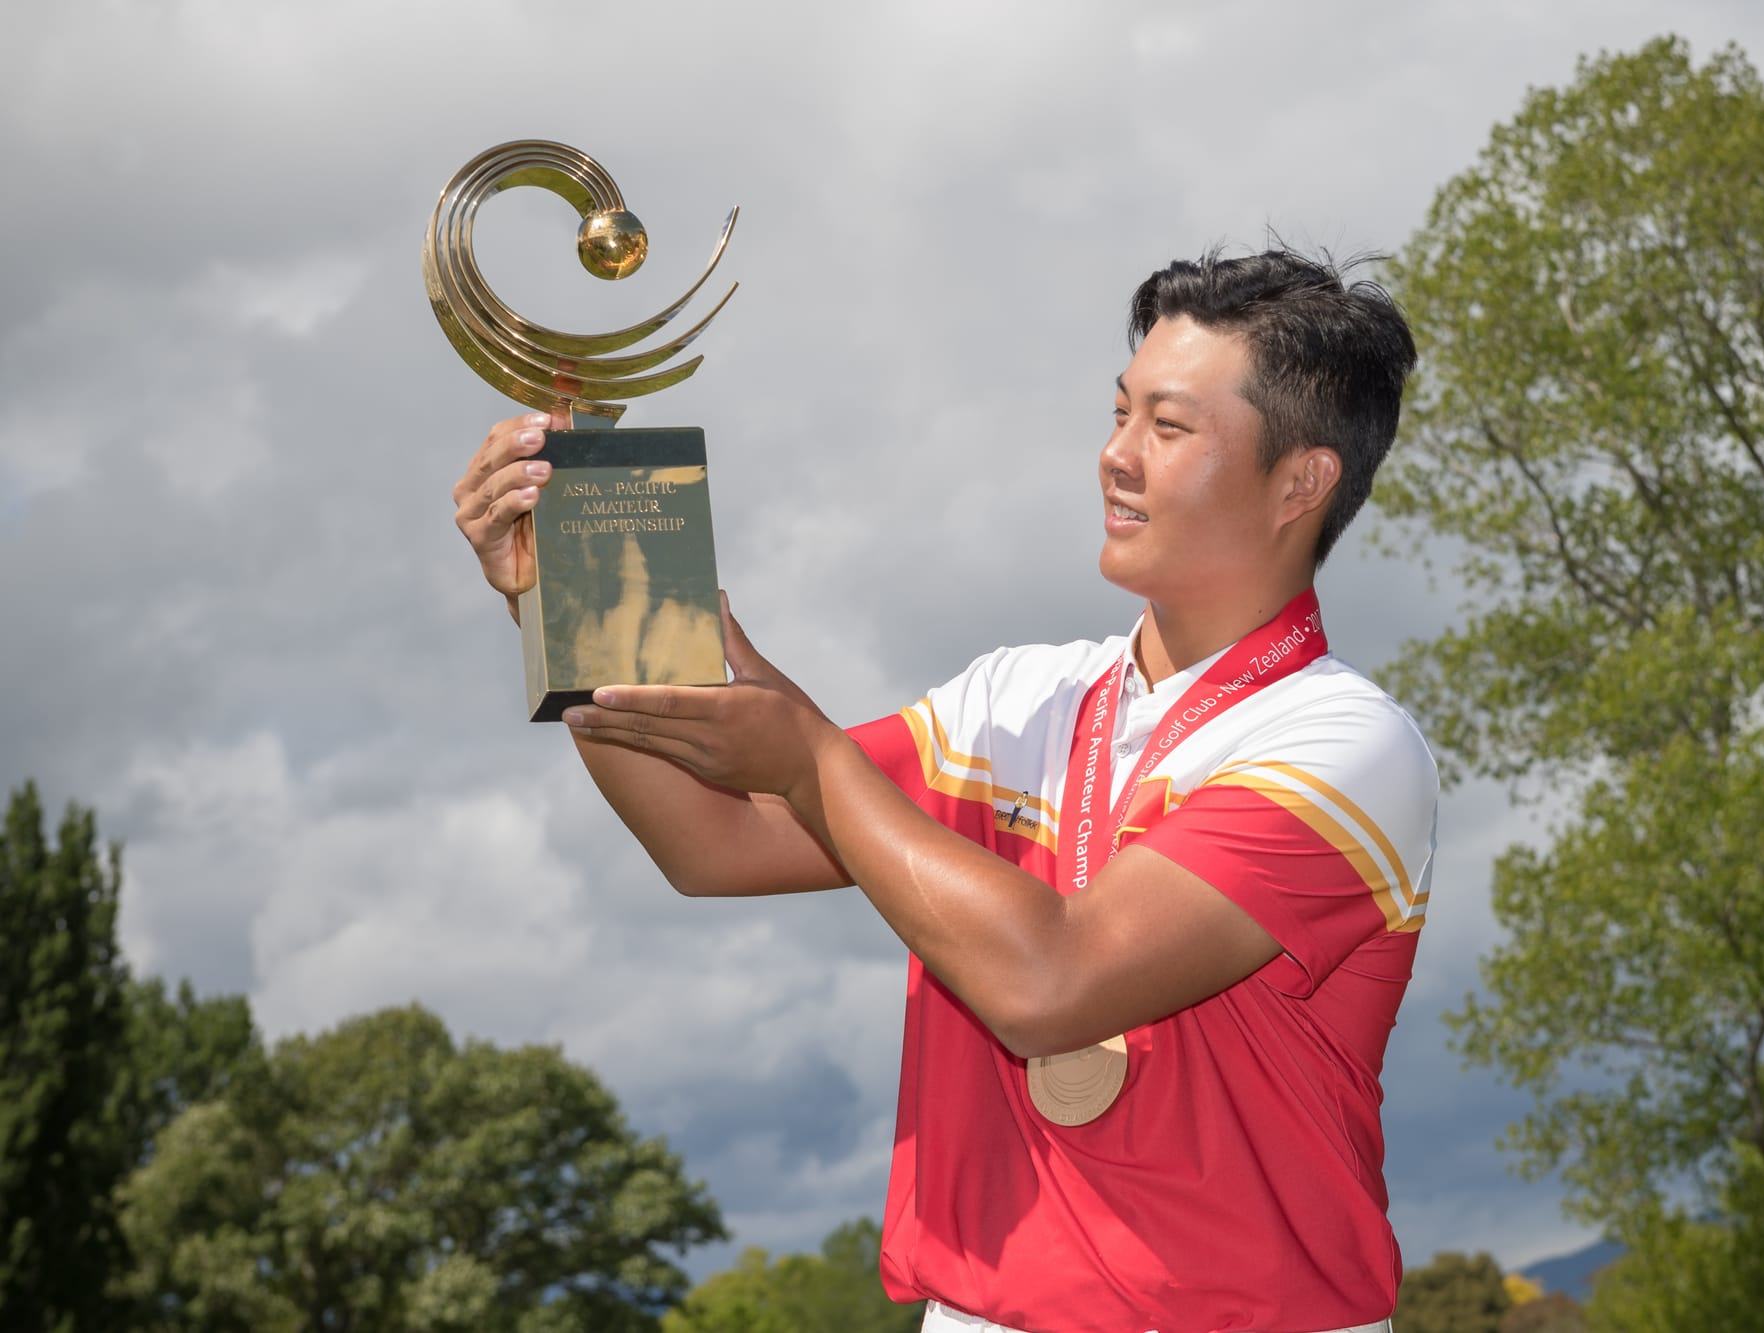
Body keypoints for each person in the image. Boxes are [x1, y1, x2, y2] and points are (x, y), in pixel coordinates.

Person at [452, 247, 1434, 1333]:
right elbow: (716, 842)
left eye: (1167, 427)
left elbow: (1053, 981)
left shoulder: (1346, 747)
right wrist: (564, 594)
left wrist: (810, 758)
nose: (1115, 456)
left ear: (1300, 482)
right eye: (1119, 413)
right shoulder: (1013, 698)